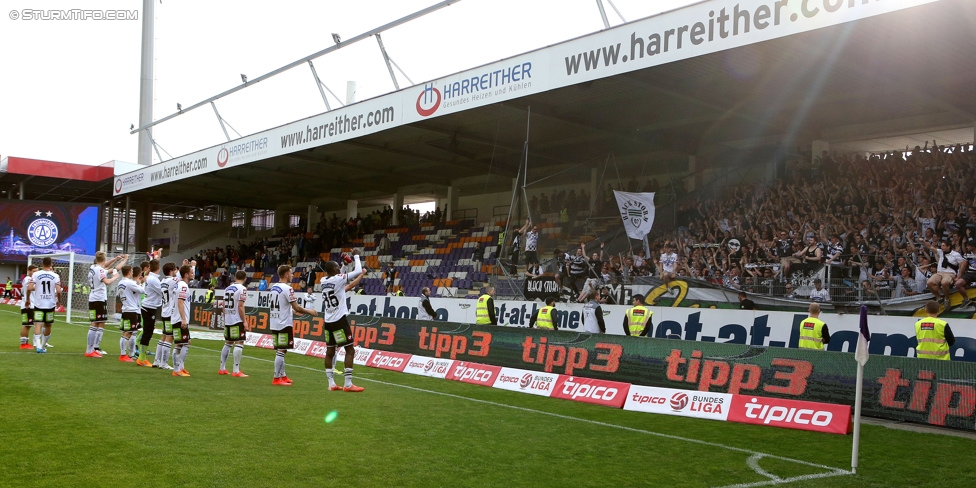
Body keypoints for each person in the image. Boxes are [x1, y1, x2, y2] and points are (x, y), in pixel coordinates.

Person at [320, 251, 365, 392]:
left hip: (328, 321)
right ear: (334, 270)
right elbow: (356, 270)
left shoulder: (323, 281)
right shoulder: (337, 279)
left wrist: (344, 266)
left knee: (330, 351)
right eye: (338, 268)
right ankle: (348, 384)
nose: (340, 268)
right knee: (350, 350)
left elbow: (339, 279)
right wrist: (357, 256)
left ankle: (331, 383)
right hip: (340, 320)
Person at [270, 264, 319, 386]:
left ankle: (283, 375)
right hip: (283, 323)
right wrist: (310, 311)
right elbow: (296, 306)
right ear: (286, 275)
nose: (292, 275)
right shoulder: (288, 288)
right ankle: (276, 378)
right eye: (291, 273)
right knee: (281, 350)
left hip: (275, 321)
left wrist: (292, 312)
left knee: (282, 349)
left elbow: (281, 305)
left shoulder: (273, 287)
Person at [86, 252, 126, 357]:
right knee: (96, 322)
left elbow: (106, 268)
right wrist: (115, 277)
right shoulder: (100, 270)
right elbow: (107, 281)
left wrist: (115, 260)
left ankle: (93, 348)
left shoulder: (93, 267)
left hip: (94, 297)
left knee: (99, 321)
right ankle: (91, 349)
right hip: (98, 298)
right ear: (104, 259)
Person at [220, 270, 250, 377]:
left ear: (235, 278)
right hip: (237, 319)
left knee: (228, 343)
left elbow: (223, 305)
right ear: (245, 278)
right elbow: (240, 306)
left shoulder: (228, 288)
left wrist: (225, 317)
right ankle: (236, 370)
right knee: (239, 342)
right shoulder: (243, 289)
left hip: (228, 318)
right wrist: (245, 321)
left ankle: (222, 368)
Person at [28, 257, 61, 353]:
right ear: (51, 264)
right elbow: (58, 290)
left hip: (39, 303)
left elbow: (30, 287)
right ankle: (42, 346)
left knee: (38, 324)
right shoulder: (55, 275)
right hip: (50, 304)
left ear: (42, 264)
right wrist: (59, 301)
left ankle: (38, 345)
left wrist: (28, 299)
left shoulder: (36, 274)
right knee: (48, 325)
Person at [116, 266, 145, 362]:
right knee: (127, 333)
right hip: (132, 310)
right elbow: (142, 290)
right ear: (129, 272)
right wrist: (141, 283)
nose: (132, 273)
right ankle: (123, 355)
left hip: (126, 308)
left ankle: (129, 354)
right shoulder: (130, 283)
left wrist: (138, 282)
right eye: (132, 271)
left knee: (129, 332)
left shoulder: (121, 282)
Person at [153, 262, 178, 370]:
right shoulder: (172, 281)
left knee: (164, 335)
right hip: (170, 312)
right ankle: (163, 363)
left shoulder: (162, 281)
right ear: (171, 271)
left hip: (164, 311)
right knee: (169, 337)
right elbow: (181, 278)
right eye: (175, 270)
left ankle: (156, 361)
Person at [136, 260, 162, 367]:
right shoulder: (153, 280)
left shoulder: (151, 278)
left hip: (149, 306)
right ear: (158, 268)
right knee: (148, 332)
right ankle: (141, 358)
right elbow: (162, 292)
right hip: (149, 307)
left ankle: (142, 356)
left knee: (148, 331)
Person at [922, 239, 963, 305]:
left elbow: (962, 265)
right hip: (940, 273)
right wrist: (923, 241)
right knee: (929, 282)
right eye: (941, 245)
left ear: (948, 246)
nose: (941, 247)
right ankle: (939, 298)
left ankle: (946, 299)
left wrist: (958, 276)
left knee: (944, 282)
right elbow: (930, 247)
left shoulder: (956, 254)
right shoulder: (940, 252)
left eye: (943, 246)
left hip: (950, 273)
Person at [171, 265, 193, 377]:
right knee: (180, 344)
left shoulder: (179, 284)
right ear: (186, 274)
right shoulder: (183, 286)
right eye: (191, 272)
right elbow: (180, 302)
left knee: (186, 342)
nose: (193, 274)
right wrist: (183, 319)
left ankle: (181, 367)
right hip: (179, 319)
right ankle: (176, 370)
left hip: (177, 318)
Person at [952, 239, 976, 309]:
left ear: (973, 246)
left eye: (968, 246)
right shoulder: (967, 254)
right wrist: (958, 277)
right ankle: (966, 299)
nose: (967, 247)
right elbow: (963, 266)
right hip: (970, 273)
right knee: (958, 284)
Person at [18, 265, 37, 349]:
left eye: (36, 271)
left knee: (28, 324)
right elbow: (31, 288)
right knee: (26, 324)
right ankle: (23, 344)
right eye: (34, 271)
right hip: (29, 305)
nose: (35, 273)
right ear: (29, 271)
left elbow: (23, 290)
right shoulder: (29, 279)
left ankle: (25, 342)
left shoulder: (27, 279)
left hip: (27, 304)